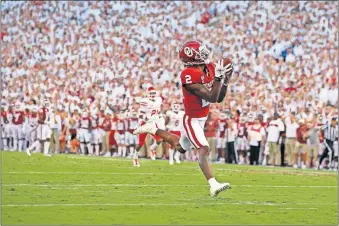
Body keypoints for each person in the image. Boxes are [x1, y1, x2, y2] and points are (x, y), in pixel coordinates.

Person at [133, 40, 233, 196]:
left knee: (180, 147)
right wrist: (219, 79)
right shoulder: (188, 74)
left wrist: (225, 81)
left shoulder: (211, 68)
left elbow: (219, 98)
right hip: (192, 120)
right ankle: (213, 184)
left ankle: (153, 128)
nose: (204, 52)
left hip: (201, 118)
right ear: (192, 58)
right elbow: (212, 97)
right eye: (199, 51)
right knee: (204, 148)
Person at [133, 87, 163, 167]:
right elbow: (141, 114)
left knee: (159, 139)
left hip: (153, 123)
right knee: (140, 143)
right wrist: (141, 121)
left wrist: (159, 118)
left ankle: (152, 148)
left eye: (154, 93)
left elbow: (158, 111)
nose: (152, 95)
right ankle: (135, 157)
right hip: (145, 123)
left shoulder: (158, 100)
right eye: (151, 93)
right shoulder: (144, 101)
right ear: (147, 94)